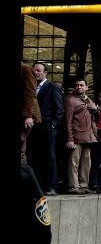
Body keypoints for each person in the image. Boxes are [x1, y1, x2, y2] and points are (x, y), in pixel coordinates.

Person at [28, 61, 64, 195]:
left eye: (38, 70)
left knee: (50, 158)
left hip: (48, 128)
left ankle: (52, 186)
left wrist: (53, 126)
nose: (36, 73)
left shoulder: (52, 87)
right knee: (36, 158)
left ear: (45, 73)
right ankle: (40, 186)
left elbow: (59, 110)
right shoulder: (31, 87)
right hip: (34, 128)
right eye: (34, 71)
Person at [63, 78, 98, 194]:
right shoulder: (70, 100)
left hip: (88, 136)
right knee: (74, 163)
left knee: (86, 163)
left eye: (82, 85)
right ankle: (73, 186)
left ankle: (83, 185)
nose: (79, 87)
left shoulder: (88, 99)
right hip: (76, 136)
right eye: (77, 85)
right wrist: (70, 139)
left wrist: (95, 109)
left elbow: (95, 116)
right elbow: (67, 121)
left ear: (86, 87)